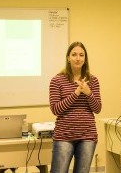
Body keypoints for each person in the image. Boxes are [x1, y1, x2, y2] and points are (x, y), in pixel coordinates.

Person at [49, 41, 102, 173]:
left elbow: (97, 108)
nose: (78, 58)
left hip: (87, 136)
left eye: (81, 55)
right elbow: (56, 109)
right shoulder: (57, 80)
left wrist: (88, 92)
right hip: (64, 136)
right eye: (74, 54)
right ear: (68, 58)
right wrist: (77, 92)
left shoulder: (93, 80)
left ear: (85, 59)